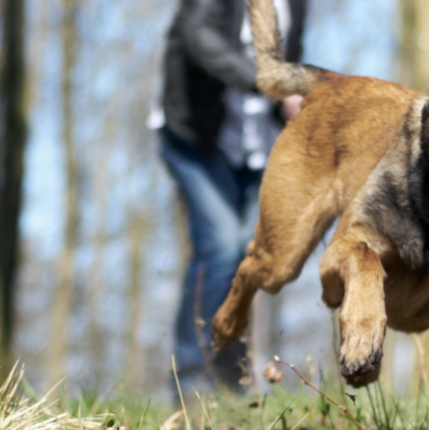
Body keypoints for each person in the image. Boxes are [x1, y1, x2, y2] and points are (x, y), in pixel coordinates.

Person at [152, 0, 307, 393]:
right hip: (196, 140)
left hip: (257, 145)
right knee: (221, 246)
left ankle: (232, 380)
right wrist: (270, 82)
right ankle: (192, 382)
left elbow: (294, 57)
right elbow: (199, 38)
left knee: (251, 254)